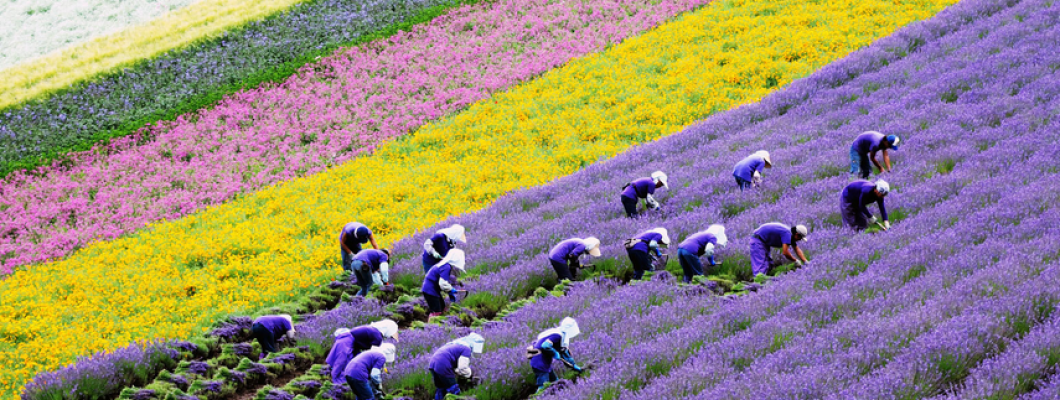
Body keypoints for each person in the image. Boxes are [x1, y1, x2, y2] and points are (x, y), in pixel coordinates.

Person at [326, 320, 399, 383]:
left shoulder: (375, 332)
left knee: (351, 365)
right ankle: (335, 380)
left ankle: (339, 380)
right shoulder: (377, 337)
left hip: (352, 345)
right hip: (347, 343)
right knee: (342, 361)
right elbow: (373, 354)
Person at [526, 317, 584, 393]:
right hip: (539, 362)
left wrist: (573, 365)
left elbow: (564, 353)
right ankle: (537, 397)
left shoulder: (561, 335)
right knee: (543, 387)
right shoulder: (557, 335)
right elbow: (545, 346)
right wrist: (555, 353)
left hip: (545, 362)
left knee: (556, 382)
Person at [428, 333, 485, 400]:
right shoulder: (466, 349)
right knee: (454, 391)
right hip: (443, 364)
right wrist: (470, 375)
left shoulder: (454, 344)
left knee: (441, 389)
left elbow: (456, 365)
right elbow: (462, 367)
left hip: (432, 364)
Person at [422, 249, 467, 318]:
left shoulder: (444, 264)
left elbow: (442, 281)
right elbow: (442, 283)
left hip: (432, 289)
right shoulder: (446, 267)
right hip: (430, 290)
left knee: (443, 308)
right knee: (436, 312)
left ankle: (438, 325)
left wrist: (451, 289)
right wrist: (451, 290)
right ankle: (431, 327)